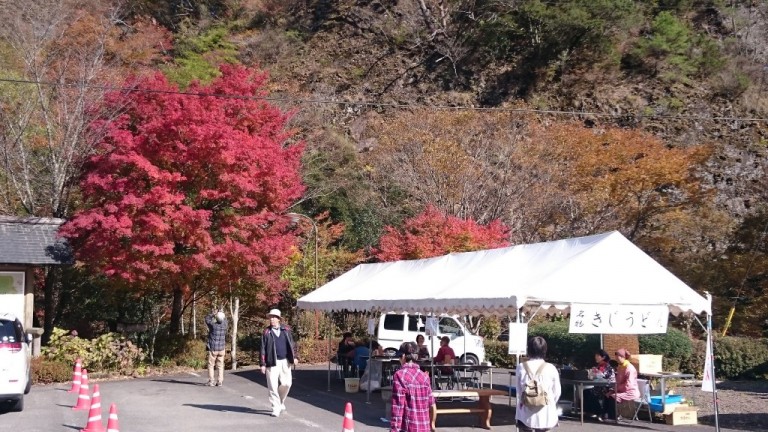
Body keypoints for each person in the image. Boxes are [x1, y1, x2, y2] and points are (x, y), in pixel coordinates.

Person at [515, 336, 561, 432]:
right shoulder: (551, 368)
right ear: (544, 350)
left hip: (525, 413)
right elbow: (557, 392)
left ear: (529, 349)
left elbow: (519, 390)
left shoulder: (521, 367)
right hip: (546, 413)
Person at [260, 308, 298, 418]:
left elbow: (292, 344)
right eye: (270, 317)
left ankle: (280, 401)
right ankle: (275, 407)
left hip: (285, 361)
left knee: (287, 384)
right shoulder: (267, 332)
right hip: (271, 362)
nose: (271, 319)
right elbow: (262, 348)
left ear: (278, 319)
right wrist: (262, 364)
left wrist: (294, 357)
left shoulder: (286, 329)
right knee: (272, 386)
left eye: (274, 317)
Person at [390, 341, 435, 432]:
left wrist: (394, 429)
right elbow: (432, 405)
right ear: (417, 357)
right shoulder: (425, 376)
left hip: (408, 427)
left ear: (403, 357)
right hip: (424, 428)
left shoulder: (399, 375)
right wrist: (432, 425)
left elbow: (398, 406)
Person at [604, 348, 639, 421]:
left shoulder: (630, 368)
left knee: (613, 397)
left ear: (623, 357)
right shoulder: (621, 366)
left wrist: (616, 389)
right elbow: (618, 380)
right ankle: (605, 414)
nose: (616, 358)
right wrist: (613, 390)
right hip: (621, 389)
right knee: (607, 394)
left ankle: (613, 417)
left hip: (630, 391)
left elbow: (629, 385)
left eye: (618, 357)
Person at [583, 349, 615, 419]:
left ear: (603, 357)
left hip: (607, 388)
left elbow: (605, 377)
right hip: (599, 386)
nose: (596, 357)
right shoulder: (598, 366)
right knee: (586, 392)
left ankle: (599, 412)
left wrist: (597, 373)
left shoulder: (608, 367)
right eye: (596, 355)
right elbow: (594, 377)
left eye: (598, 355)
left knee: (591, 393)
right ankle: (590, 412)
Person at [205, 310, 227, 386]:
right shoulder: (225, 325)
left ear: (216, 318)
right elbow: (225, 319)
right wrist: (221, 312)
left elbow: (207, 319)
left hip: (213, 348)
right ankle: (220, 381)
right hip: (221, 349)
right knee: (220, 365)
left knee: (211, 365)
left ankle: (211, 381)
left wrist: (213, 314)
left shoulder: (213, 326)